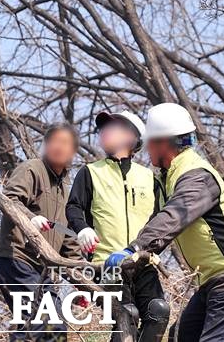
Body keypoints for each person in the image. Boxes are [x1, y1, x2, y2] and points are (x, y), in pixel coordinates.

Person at [105, 103, 224, 342]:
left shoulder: (196, 175)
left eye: (150, 143)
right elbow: (158, 221)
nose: (146, 150)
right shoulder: (170, 176)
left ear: (164, 143)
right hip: (214, 280)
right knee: (182, 336)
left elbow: (173, 216)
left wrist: (135, 248)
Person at [66, 110, 169, 342]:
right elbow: (73, 207)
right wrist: (82, 228)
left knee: (159, 312)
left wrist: (152, 249)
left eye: (113, 128)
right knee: (126, 315)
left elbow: (162, 219)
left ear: (132, 138)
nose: (104, 132)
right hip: (107, 265)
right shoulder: (90, 172)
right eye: (102, 129)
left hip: (143, 261)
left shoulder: (149, 178)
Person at [0, 122, 83, 341]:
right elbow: (9, 200)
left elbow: (68, 242)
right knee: (45, 324)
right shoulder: (32, 169)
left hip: (43, 270)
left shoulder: (64, 189)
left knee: (53, 330)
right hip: (18, 259)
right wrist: (32, 219)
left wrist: (82, 284)